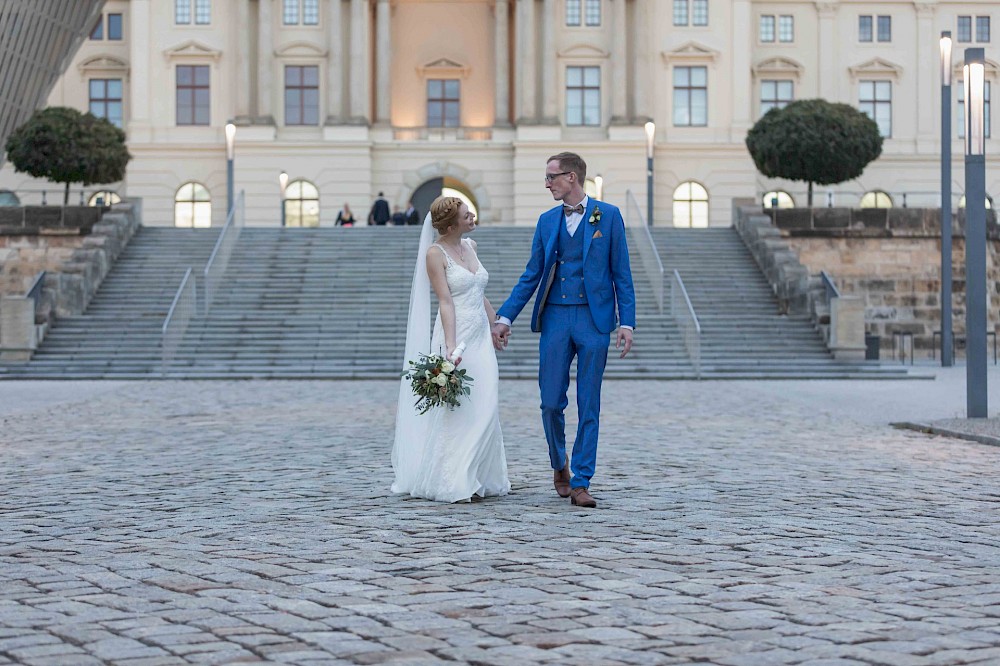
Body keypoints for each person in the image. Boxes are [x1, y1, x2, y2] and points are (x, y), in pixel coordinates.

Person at [492, 152, 635, 509]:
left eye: (551, 177)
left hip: (595, 320)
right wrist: (505, 317)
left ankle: (582, 481)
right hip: (555, 318)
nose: (547, 183)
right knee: (550, 402)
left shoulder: (610, 216)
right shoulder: (546, 221)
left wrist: (627, 322)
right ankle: (560, 464)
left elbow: (622, 275)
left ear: (571, 178)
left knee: (590, 403)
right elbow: (532, 274)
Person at [391, 196, 510, 503]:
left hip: (481, 335)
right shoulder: (435, 254)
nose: (472, 217)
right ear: (450, 223)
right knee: (459, 407)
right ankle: (457, 477)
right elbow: (445, 301)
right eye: (465, 214)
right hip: (455, 334)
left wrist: (496, 323)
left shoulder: (471, 247)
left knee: (487, 401)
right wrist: (451, 346)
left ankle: (479, 473)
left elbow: (478, 291)